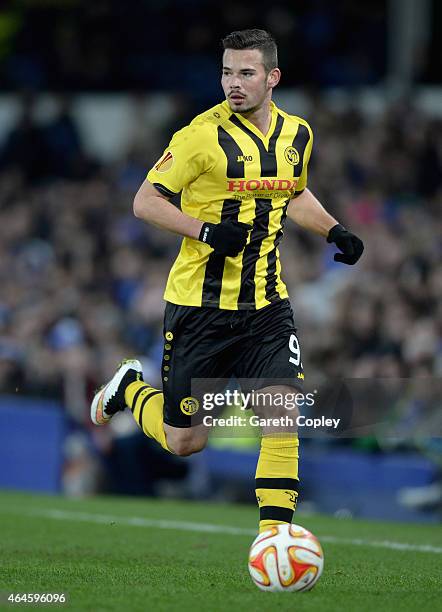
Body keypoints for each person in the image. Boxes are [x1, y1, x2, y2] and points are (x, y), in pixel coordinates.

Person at [91, 29, 363, 533]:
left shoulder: (297, 134)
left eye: (245, 73)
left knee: (281, 415)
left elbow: (294, 192)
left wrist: (334, 229)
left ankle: (273, 541)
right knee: (186, 442)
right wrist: (207, 230)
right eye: (226, 72)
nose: (233, 84)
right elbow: (145, 201)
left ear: (272, 78)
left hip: (267, 305)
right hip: (200, 306)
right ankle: (131, 389)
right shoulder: (199, 136)